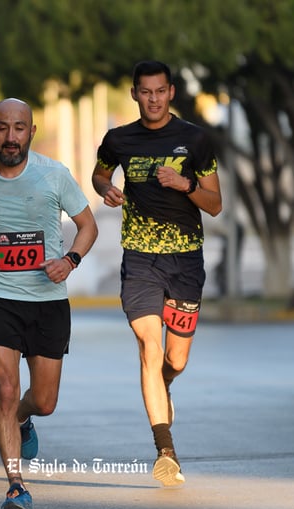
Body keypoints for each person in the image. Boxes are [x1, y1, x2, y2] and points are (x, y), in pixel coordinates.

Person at [0, 98, 98, 509]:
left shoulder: (54, 175)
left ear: (31, 131)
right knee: (6, 389)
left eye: (18, 128)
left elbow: (88, 226)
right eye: (1, 128)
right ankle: (16, 488)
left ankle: (24, 420)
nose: (10, 137)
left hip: (48, 302)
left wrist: (69, 261)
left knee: (43, 401)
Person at [91, 60, 222, 487]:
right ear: (134, 94)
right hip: (141, 259)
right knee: (149, 346)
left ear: (170, 93)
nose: (152, 99)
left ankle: (163, 387)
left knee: (174, 359)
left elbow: (215, 203)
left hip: (185, 261)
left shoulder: (195, 140)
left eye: (159, 91)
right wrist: (104, 186)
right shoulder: (119, 139)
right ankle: (165, 450)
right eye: (144, 92)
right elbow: (100, 170)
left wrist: (184, 185)